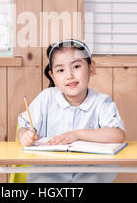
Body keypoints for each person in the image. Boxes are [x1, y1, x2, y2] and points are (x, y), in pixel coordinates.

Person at [17, 39, 126, 183]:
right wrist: (25, 135)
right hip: (47, 178)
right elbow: (23, 128)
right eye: (60, 70)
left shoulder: (101, 102)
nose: (69, 75)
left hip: (90, 177)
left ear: (91, 68)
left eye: (76, 66)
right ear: (52, 76)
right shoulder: (46, 98)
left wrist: (77, 135)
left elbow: (117, 135)